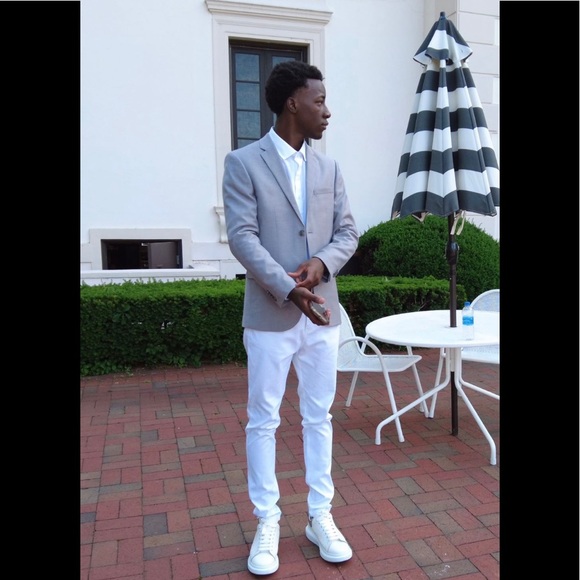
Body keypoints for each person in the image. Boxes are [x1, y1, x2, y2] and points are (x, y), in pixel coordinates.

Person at [222, 60, 359, 575]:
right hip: (270, 314)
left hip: (322, 313)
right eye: (319, 101)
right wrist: (287, 288)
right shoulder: (243, 162)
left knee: (319, 417)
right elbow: (242, 236)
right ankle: (268, 520)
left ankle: (320, 515)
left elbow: (348, 232)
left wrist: (321, 264)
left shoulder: (329, 168)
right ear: (292, 104)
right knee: (264, 419)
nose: (327, 111)